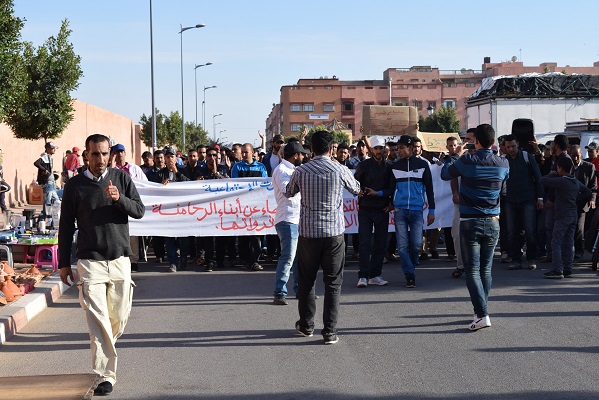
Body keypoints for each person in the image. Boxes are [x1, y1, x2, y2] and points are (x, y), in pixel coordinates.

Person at [58, 133, 145, 396]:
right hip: (90, 262)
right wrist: (64, 263)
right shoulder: (74, 187)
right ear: (86, 155)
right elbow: (65, 227)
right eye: (95, 154)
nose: (100, 159)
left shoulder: (121, 178)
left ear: (111, 154)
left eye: (105, 154)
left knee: (116, 318)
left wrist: (119, 199)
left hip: (119, 259)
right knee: (98, 319)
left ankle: (106, 354)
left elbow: (139, 211)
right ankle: (104, 375)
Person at [286, 130, 361, 345]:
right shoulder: (340, 169)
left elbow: (289, 192)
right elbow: (356, 189)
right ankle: (330, 331)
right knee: (333, 284)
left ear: (311, 148)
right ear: (332, 149)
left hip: (308, 233)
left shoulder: (301, 171)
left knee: (307, 282)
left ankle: (306, 325)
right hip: (334, 233)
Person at [441, 124, 509, 331]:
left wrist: (458, 154)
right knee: (486, 269)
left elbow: (445, 174)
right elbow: (503, 188)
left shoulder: (467, 159)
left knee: (472, 269)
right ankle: (481, 308)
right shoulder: (503, 163)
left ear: (476, 141)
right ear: (494, 141)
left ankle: (481, 313)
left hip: (470, 221)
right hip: (493, 221)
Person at [382, 135, 435, 288]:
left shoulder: (423, 165)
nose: (398, 151)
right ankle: (409, 274)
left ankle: (410, 266)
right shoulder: (394, 166)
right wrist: (386, 199)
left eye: (401, 148)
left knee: (417, 244)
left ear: (410, 148)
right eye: (397, 149)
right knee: (402, 246)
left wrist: (432, 210)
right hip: (400, 210)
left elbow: (430, 189)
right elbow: (391, 189)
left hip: (417, 210)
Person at [541, 157, 592, 279]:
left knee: (556, 242)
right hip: (573, 214)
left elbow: (542, 180)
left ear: (560, 168)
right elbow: (588, 192)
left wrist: (552, 174)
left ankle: (557, 269)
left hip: (562, 216)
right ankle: (568, 268)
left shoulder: (561, 181)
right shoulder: (575, 181)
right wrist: (577, 201)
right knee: (569, 243)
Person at [271, 141, 309, 305]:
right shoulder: (282, 170)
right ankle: (279, 292)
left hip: (298, 219)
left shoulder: (293, 170)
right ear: (295, 156)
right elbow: (288, 192)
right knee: (288, 257)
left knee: (300, 258)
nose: (304, 156)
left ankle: (300, 290)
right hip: (287, 219)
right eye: (302, 154)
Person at [502, 135, 544, 271]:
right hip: (510, 200)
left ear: (518, 144)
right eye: (508, 147)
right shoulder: (504, 160)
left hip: (528, 200)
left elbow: (538, 178)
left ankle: (531, 258)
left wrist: (540, 198)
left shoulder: (526, 157)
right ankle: (515, 260)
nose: (511, 149)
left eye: (513, 146)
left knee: (530, 230)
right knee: (511, 231)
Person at [356, 136, 391, 288]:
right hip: (365, 209)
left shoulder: (389, 167)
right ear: (372, 150)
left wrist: (380, 194)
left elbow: (392, 188)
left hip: (382, 209)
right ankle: (363, 275)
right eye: (376, 148)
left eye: (380, 149)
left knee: (380, 243)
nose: (378, 151)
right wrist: (362, 191)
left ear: (384, 150)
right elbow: (355, 184)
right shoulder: (363, 165)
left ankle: (375, 275)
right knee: (364, 243)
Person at [150, 146, 190, 272]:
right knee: (169, 238)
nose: (170, 159)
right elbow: (153, 190)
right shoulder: (159, 174)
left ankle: (184, 258)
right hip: (167, 212)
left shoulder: (183, 170)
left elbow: (190, 184)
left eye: (172, 156)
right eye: (167, 157)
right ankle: (173, 262)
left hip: (182, 211)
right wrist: (161, 186)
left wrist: (177, 172)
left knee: (184, 238)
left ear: (176, 158)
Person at [231, 143, 267, 271]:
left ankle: (255, 260)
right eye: (243, 152)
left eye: (247, 152)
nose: (245, 154)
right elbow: (234, 185)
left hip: (256, 207)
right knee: (243, 234)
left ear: (253, 152)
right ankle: (245, 260)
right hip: (242, 206)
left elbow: (264, 186)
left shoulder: (261, 167)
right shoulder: (237, 167)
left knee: (256, 235)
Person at [112, 143, 148, 272]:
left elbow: (145, 184)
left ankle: (133, 261)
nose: (120, 154)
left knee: (133, 234)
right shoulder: (112, 171)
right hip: (117, 205)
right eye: (117, 152)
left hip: (131, 204)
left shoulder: (135, 169)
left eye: (122, 152)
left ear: (125, 153)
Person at [569, 145, 596, 258]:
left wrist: (592, 199)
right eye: (573, 156)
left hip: (582, 203)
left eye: (577, 156)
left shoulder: (589, 167)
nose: (575, 158)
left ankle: (579, 251)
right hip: (568, 202)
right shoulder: (567, 166)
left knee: (579, 228)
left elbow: (593, 186)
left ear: (581, 154)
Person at [34, 141, 60, 218]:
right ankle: (42, 219)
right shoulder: (45, 157)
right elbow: (36, 163)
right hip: (48, 183)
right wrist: (44, 170)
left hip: (51, 183)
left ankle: (49, 219)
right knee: (47, 203)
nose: (54, 150)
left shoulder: (49, 157)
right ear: (48, 149)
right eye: (53, 148)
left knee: (57, 202)